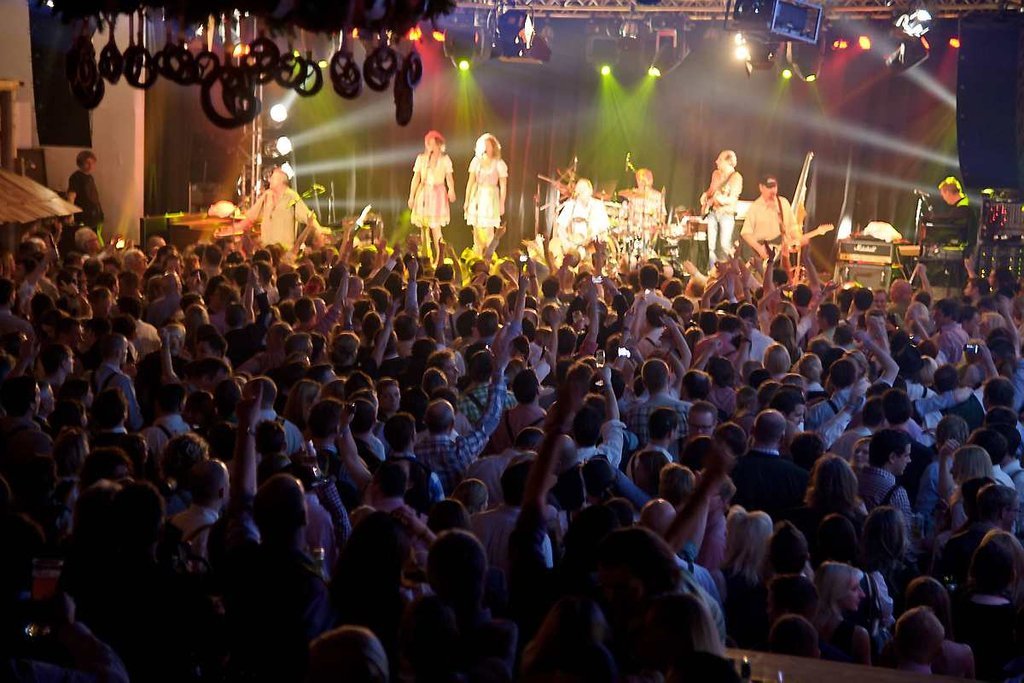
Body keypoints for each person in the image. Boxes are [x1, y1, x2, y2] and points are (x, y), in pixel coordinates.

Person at [237, 166, 323, 249]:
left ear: (281, 181)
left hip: (284, 251)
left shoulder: (291, 197)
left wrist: (320, 232)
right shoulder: (267, 195)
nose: (270, 180)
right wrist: (235, 228)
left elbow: (308, 216)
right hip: (267, 250)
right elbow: (251, 217)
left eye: (273, 178)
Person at [409, 130, 457, 260]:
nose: (431, 147)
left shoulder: (444, 160)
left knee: (436, 228)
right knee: (424, 227)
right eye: (428, 144)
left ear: (439, 145)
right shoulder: (422, 159)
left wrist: (451, 190)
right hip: (424, 193)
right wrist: (412, 196)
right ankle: (426, 257)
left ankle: (440, 257)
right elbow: (416, 178)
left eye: (433, 144)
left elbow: (449, 177)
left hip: (437, 195)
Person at [464, 133, 508, 256]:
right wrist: (467, 200)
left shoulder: (498, 163)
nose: (486, 148)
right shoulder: (476, 162)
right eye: (484, 146)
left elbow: (503, 185)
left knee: (489, 230)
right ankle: (478, 256)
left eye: (489, 146)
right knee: (477, 230)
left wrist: (502, 203)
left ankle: (489, 257)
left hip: (490, 198)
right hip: (477, 196)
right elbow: (470, 181)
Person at [699, 150, 742, 266]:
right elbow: (711, 190)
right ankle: (712, 271)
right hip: (713, 213)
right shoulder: (716, 174)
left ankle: (732, 270)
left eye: (720, 159)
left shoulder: (736, 177)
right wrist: (705, 195)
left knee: (724, 245)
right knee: (711, 247)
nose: (716, 161)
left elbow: (732, 199)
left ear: (728, 162)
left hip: (726, 214)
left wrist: (719, 199)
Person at [739, 174, 798, 261]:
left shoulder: (783, 203)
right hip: (760, 250)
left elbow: (792, 226)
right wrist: (759, 249)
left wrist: (797, 239)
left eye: (774, 187)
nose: (773, 190)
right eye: (769, 187)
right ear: (761, 188)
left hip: (779, 252)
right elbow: (745, 233)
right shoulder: (755, 207)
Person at [552, 178, 611, 262]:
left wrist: (592, 241)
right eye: (578, 191)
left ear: (590, 191)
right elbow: (560, 227)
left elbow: (604, 232)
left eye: (583, 190)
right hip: (573, 248)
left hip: (592, 250)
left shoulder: (598, 206)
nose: (580, 194)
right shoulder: (571, 205)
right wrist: (567, 245)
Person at [67, 150, 103, 231]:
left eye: (92, 163)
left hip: (94, 217)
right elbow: (71, 196)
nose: (90, 166)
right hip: (83, 218)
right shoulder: (76, 177)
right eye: (87, 163)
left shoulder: (90, 177)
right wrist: (70, 214)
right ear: (81, 164)